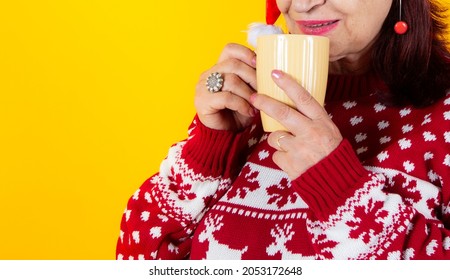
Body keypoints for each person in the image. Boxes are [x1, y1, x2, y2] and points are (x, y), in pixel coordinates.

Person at [116, 0, 450, 260]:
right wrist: (208, 151)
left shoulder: (442, 118)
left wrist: (342, 193)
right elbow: (137, 257)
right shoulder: (252, 100)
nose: (301, 5)